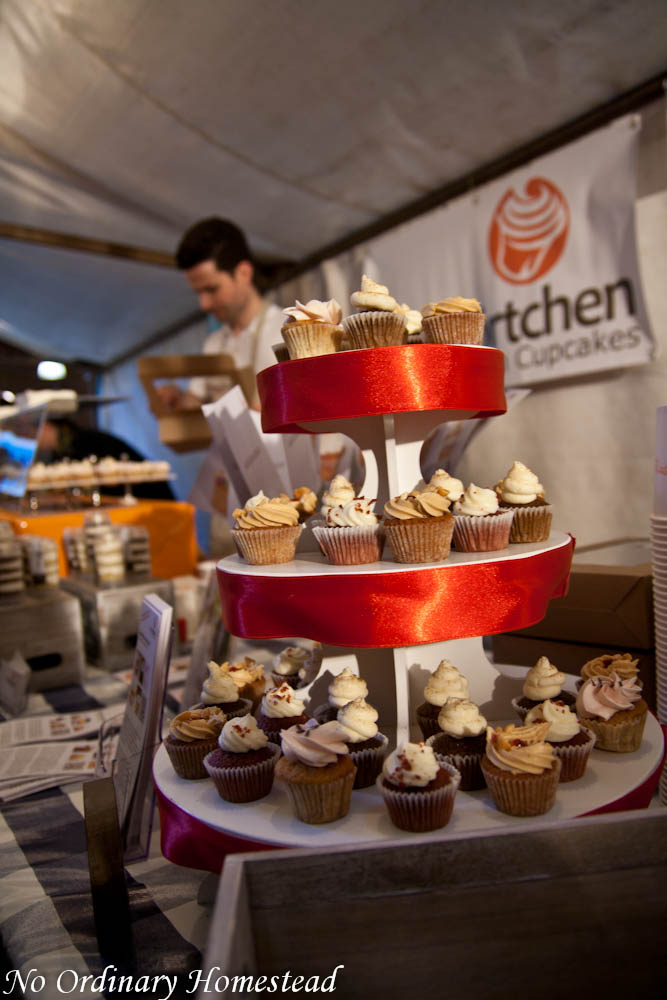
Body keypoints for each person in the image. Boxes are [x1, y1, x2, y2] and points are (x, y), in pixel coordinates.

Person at [156, 218, 284, 411]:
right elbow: (196, 407)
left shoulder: (284, 330)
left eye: (211, 289)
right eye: (198, 293)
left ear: (243, 273)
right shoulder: (213, 344)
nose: (204, 304)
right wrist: (178, 398)